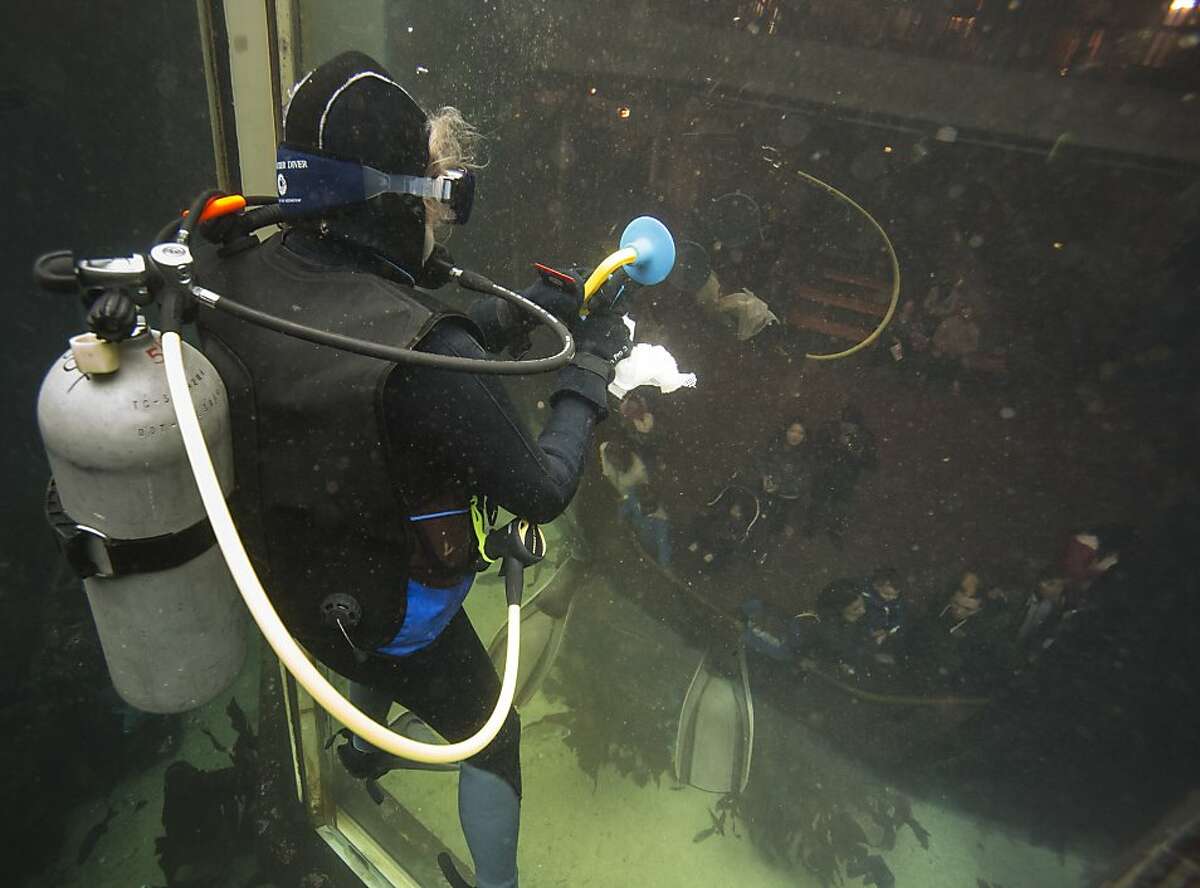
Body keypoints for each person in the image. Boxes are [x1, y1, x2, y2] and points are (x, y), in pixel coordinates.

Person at [194, 52, 631, 888]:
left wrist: (513, 317)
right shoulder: (424, 356)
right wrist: (592, 369)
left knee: (380, 649)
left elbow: (383, 351)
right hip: (389, 615)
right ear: (397, 200)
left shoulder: (227, 270)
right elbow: (541, 488)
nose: (442, 216)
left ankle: (363, 745)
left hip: (288, 587)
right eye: (439, 192)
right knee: (491, 735)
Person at [808, 406, 877, 546]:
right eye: (845, 424)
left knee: (841, 508)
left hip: (847, 479)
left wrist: (855, 450)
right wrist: (833, 445)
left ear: (858, 427)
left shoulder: (865, 438)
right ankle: (810, 527)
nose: (847, 428)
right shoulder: (830, 430)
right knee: (817, 503)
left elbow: (872, 464)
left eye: (852, 426)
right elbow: (816, 449)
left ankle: (835, 530)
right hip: (825, 475)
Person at [760, 418, 814, 539]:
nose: (795, 435)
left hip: (786, 504)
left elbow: (803, 484)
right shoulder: (773, 447)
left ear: (805, 436)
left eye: (800, 433)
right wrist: (764, 477)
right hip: (762, 497)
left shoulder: (807, 457)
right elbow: (760, 462)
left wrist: (779, 487)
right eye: (792, 431)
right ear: (786, 431)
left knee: (773, 534)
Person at [860, 568, 904, 664]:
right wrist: (870, 632)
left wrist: (887, 631)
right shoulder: (865, 599)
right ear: (876, 586)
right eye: (886, 594)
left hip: (883, 634)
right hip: (864, 634)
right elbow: (860, 619)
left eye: (895, 595)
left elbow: (898, 619)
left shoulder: (896, 603)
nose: (890, 598)